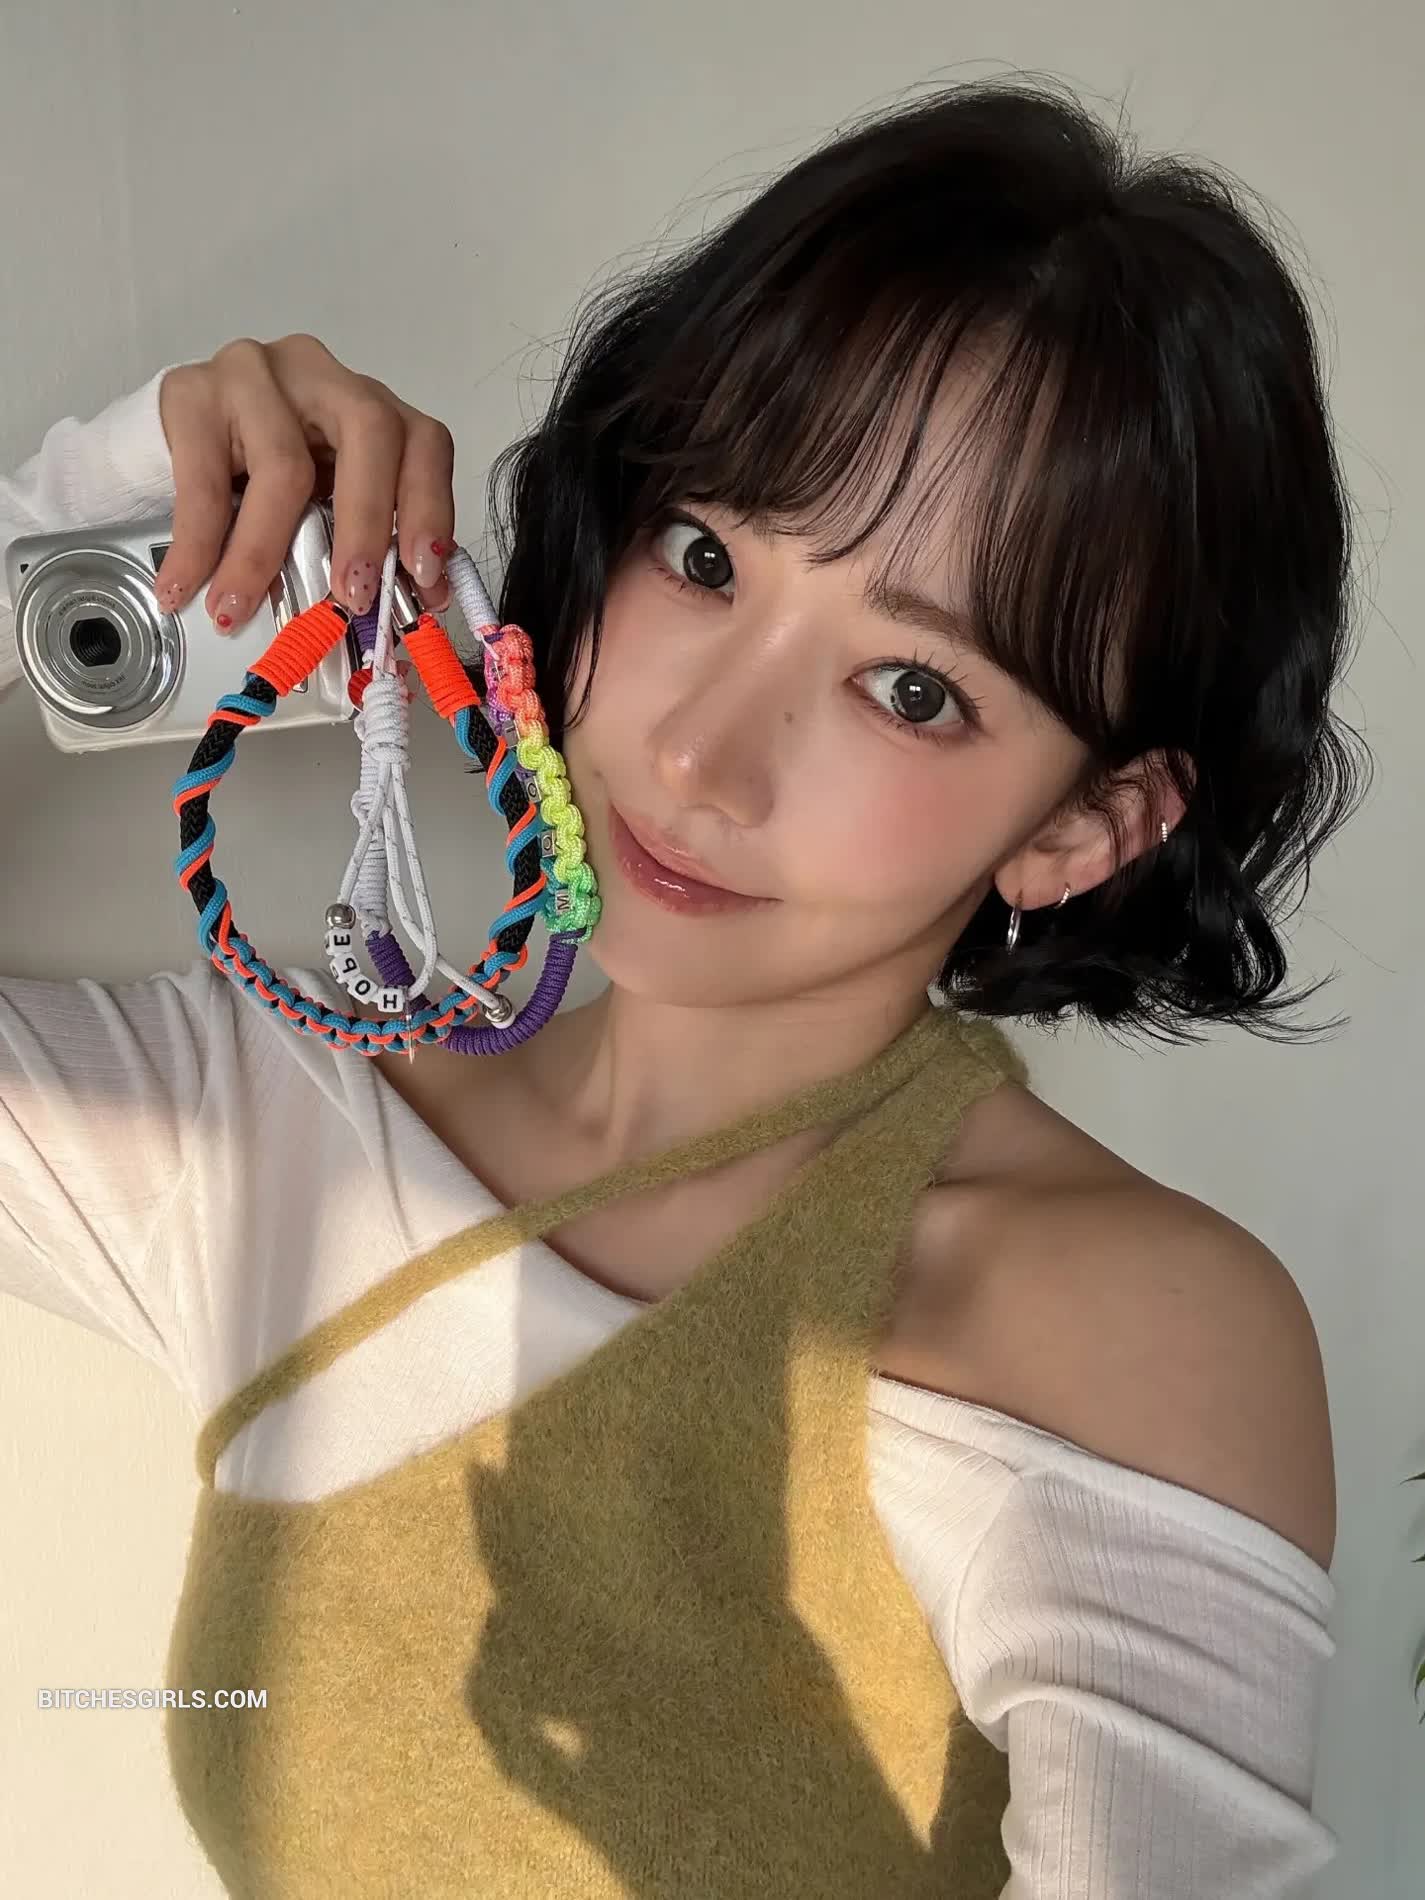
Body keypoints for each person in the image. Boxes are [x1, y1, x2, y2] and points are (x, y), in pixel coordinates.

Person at [0, 80, 1360, 1898]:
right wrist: (88, 511)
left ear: (1083, 827)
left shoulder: (1113, 1323)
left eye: (912, 689)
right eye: (705, 557)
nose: (702, 756)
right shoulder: (260, 1129)